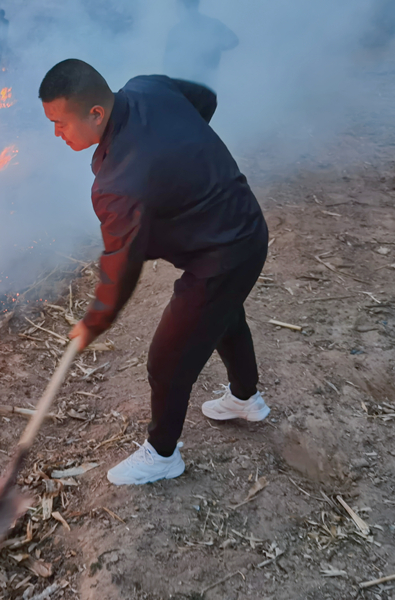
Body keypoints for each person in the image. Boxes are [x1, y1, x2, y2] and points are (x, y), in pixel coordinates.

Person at [39, 59, 270, 485]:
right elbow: (205, 99)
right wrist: (181, 157)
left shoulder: (118, 184)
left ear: (95, 113)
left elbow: (121, 265)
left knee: (167, 360)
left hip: (222, 254)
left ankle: (163, 455)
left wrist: (94, 321)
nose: (56, 133)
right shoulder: (149, 86)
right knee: (223, 315)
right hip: (247, 223)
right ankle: (245, 399)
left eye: (59, 123)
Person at [163, 0, 238, 90]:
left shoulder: (212, 25)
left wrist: (211, 47)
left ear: (184, 6)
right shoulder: (176, 30)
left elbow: (233, 40)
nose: (176, 10)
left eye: (178, 6)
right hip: (185, 82)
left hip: (203, 82)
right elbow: (168, 61)